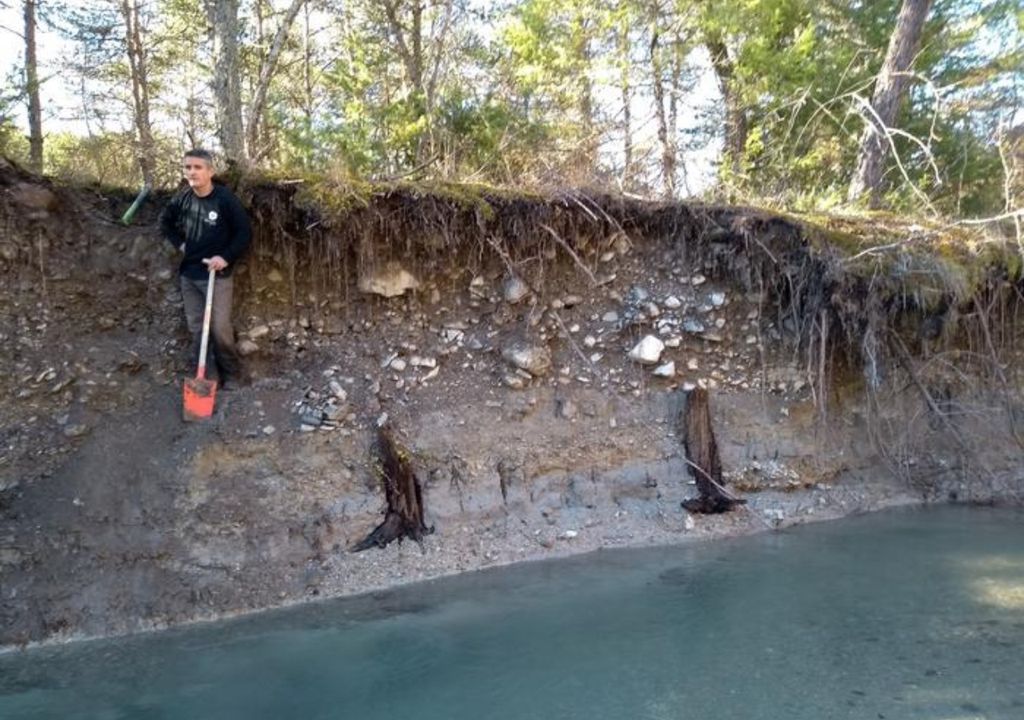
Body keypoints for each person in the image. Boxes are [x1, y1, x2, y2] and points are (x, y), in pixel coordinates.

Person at [159, 149, 251, 388]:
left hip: (217, 275)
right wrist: (180, 244)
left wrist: (226, 257)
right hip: (189, 275)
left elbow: (244, 232)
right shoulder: (182, 199)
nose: (192, 172)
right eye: (188, 167)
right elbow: (165, 222)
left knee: (220, 329)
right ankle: (209, 378)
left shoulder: (224, 199)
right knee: (198, 329)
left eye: (198, 167)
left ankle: (233, 375)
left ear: (210, 171)